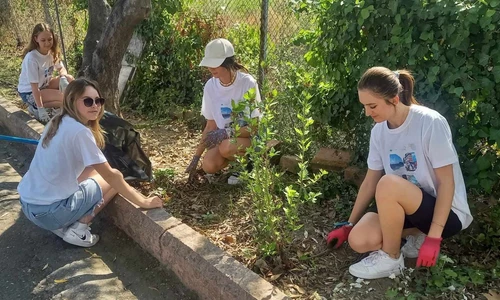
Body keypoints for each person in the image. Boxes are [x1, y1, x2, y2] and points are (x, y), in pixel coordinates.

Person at [326, 67, 473, 279]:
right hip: (410, 211)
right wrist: (349, 225)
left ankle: (391, 258)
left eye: (372, 105)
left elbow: (446, 183)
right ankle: (415, 234)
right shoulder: (378, 132)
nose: (367, 112)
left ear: (394, 99)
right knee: (359, 239)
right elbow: (369, 182)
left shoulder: (430, 122)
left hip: (447, 214)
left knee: (387, 184)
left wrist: (434, 237)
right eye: (364, 106)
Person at [18, 78, 162, 247]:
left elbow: (91, 167)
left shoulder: (57, 121)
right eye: (88, 101)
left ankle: (63, 222)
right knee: (116, 176)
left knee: (95, 171)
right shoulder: (80, 132)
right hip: (49, 214)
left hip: (29, 205)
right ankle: (79, 228)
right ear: (72, 101)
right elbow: (112, 177)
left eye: (98, 101)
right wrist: (144, 202)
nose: (95, 106)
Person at [185, 38, 261, 184]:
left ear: (228, 61)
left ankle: (247, 166)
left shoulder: (247, 83)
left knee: (227, 146)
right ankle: (233, 163)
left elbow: (255, 127)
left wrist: (227, 132)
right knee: (208, 165)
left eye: (216, 63)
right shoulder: (210, 86)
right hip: (227, 143)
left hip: (250, 140)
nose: (211, 68)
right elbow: (210, 126)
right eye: (209, 63)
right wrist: (196, 157)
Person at [17, 22, 74, 123]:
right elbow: (34, 87)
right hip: (29, 92)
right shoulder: (32, 58)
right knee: (64, 99)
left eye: (50, 39)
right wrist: (40, 108)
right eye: (43, 40)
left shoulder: (52, 52)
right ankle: (36, 108)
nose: (47, 43)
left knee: (70, 80)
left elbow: (61, 69)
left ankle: (56, 105)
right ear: (36, 39)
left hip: (44, 85)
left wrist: (63, 78)